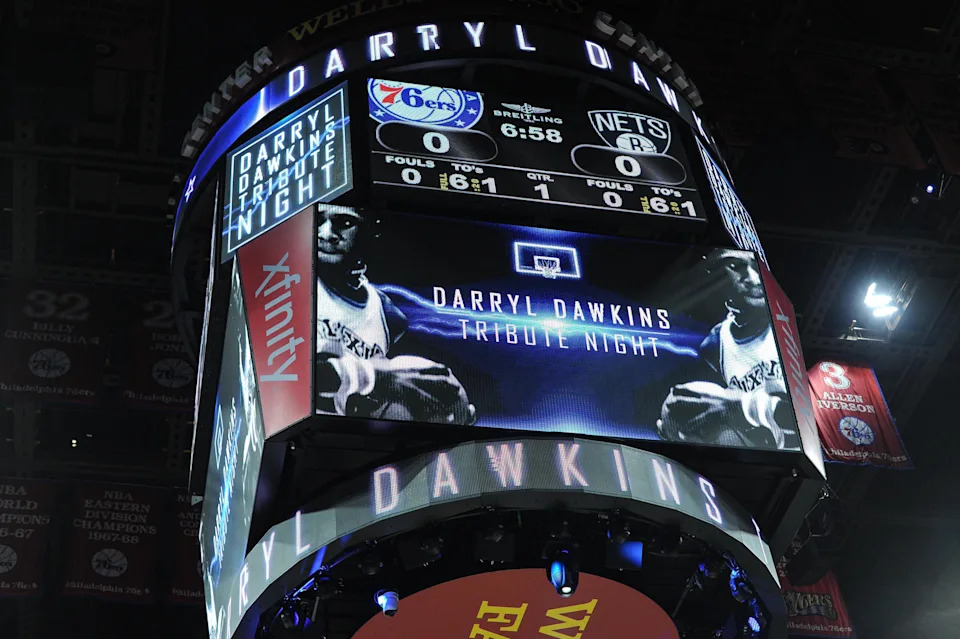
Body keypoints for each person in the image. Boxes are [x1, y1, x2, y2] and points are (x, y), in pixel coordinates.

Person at [314, 205, 475, 424]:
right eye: (319, 220)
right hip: (305, 431)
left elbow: (406, 381)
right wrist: (375, 376)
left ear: (370, 231)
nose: (326, 233)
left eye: (345, 223)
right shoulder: (288, 283)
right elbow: (286, 379)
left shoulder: (388, 314)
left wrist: (450, 410)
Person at [657, 249, 798, 450]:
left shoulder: (785, 326)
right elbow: (725, 413)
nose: (754, 278)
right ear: (713, 274)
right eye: (735, 266)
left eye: (757, 268)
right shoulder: (714, 344)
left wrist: (742, 406)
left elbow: (810, 421)